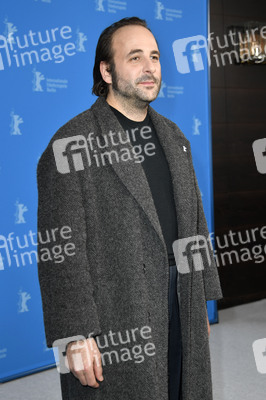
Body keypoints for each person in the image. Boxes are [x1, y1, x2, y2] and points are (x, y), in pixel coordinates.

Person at [37, 16, 223, 400]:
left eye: (154, 57)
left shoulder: (175, 138)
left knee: (180, 388)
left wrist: (200, 299)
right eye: (134, 57)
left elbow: (194, 224)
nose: (149, 67)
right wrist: (76, 334)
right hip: (115, 310)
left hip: (178, 293)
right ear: (106, 70)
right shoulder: (70, 145)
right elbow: (60, 252)